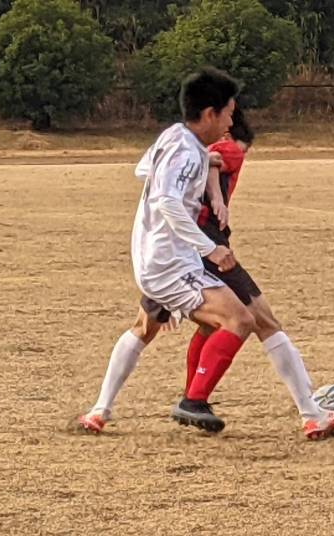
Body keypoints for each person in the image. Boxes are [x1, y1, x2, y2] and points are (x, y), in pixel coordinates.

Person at [79, 106, 334, 440]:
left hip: (175, 250)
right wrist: (215, 194)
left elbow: (158, 169)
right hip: (204, 246)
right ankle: (309, 414)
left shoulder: (184, 146)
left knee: (149, 327)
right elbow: (211, 161)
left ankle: (100, 411)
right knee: (263, 323)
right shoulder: (227, 148)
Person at [79, 67, 257, 434]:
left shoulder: (173, 137)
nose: (231, 122)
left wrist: (201, 164)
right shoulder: (188, 150)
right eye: (228, 113)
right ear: (209, 113)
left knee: (149, 327)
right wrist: (210, 249)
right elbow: (167, 202)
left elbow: (143, 170)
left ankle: (100, 410)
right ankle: (193, 401)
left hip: (155, 256)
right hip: (170, 264)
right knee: (239, 320)